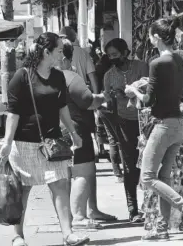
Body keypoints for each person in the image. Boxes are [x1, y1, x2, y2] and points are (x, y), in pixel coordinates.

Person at [0, 32, 90, 246]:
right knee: (23, 189)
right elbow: (13, 113)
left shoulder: (59, 76)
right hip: (24, 143)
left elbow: (62, 108)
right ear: (46, 52)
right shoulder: (22, 76)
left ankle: (68, 234)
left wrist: (74, 133)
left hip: (52, 143)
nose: (62, 54)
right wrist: (7, 141)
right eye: (58, 50)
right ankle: (17, 235)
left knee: (60, 185)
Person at [126, 16, 183, 241]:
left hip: (163, 125)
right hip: (178, 125)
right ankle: (162, 228)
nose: (150, 39)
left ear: (157, 38)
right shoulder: (179, 60)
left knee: (148, 178)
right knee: (164, 176)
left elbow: (148, 101)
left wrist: (134, 91)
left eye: (151, 36)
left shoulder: (157, 64)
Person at [58, 39, 117, 230]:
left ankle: (86, 211)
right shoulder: (69, 76)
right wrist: (103, 97)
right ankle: (79, 216)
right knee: (83, 172)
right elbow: (88, 101)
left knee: (66, 175)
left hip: (56, 130)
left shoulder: (44, 76)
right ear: (67, 57)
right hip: (76, 129)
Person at [103, 38, 149, 224]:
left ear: (125, 52)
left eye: (115, 55)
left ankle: (152, 207)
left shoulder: (142, 67)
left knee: (149, 165)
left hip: (146, 122)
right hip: (124, 124)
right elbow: (108, 105)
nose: (112, 58)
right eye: (109, 56)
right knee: (129, 166)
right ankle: (133, 210)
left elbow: (151, 90)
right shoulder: (109, 76)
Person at [95, 50, 123, 182]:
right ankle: (124, 171)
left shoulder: (99, 72)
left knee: (112, 139)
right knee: (120, 139)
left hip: (102, 108)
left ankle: (117, 173)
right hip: (112, 107)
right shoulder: (112, 74)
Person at [59, 26, 99, 94]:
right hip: (82, 93)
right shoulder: (84, 53)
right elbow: (92, 76)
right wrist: (95, 95)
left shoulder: (58, 52)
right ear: (74, 37)